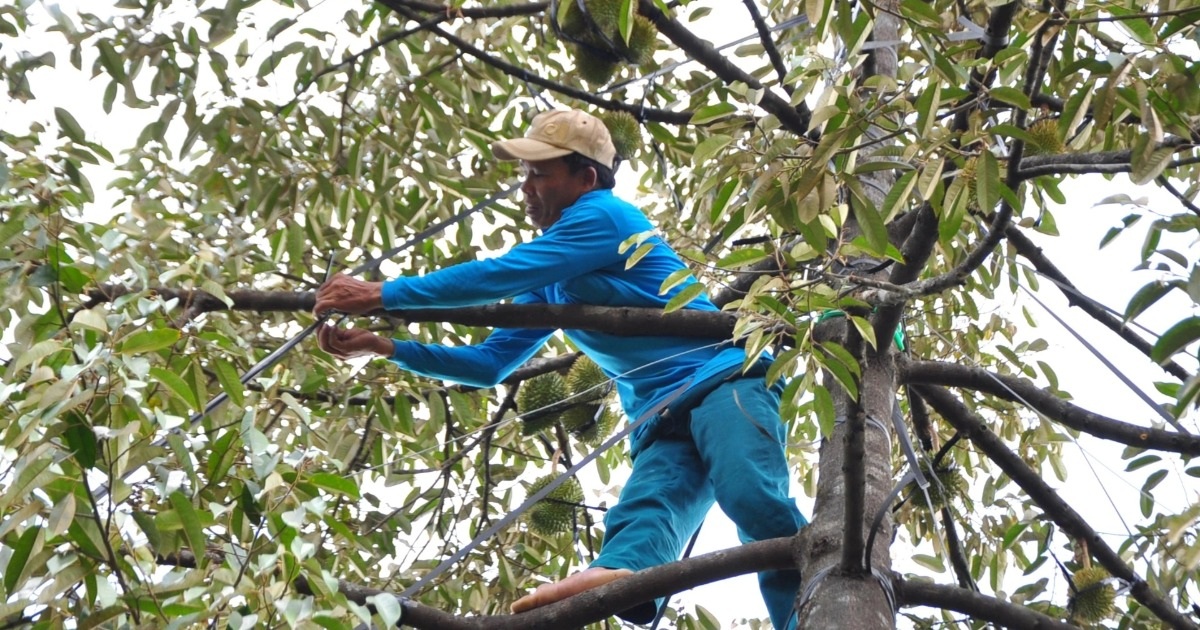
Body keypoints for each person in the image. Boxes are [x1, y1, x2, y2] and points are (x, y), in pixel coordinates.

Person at [313, 108, 806, 628]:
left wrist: (384, 293)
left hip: (721, 379)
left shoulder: (604, 216)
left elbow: (498, 275)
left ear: (585, 178)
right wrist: (388, 347)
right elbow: (490, 364)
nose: (525, 187)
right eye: (524, 174)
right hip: (658, 415)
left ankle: (810, 606)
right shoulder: (552, 278)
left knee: (753, 497)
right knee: (649, 511)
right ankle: (623, 570)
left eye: (539, 174)